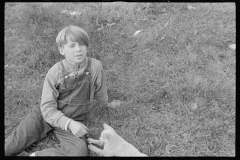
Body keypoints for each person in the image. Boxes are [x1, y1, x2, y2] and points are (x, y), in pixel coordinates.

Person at [5, 25, 115, 156]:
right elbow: (47, 107)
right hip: (45, 115)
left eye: (82, 45)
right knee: (10, 146)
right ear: (61, 50)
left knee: (79, 152)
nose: (78, 50)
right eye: (72, 46)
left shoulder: (95, 67)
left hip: (74, 117)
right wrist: (68, 123)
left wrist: (106, 105)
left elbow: (100, 90)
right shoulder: (55, 73)